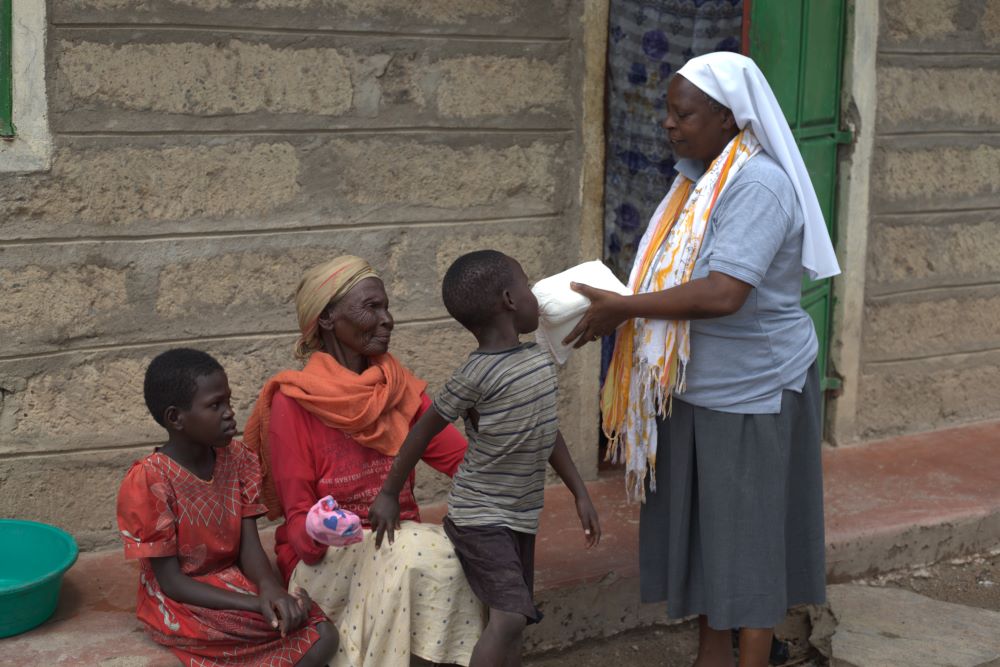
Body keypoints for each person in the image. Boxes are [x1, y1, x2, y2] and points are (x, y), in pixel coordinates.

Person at [564, 52, 840, 667]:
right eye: (667, 110)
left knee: (749, 543)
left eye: (682, 112)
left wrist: (629, 307)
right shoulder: (698, 177)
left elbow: (724, 291)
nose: (667, 123)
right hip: (694, 386)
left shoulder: (759, 183)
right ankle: (711, 654)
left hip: (750, 392)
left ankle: (750, 658)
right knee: (716, 539)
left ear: (727, 117)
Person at [243, 255, 485, 666]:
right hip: (327, 563)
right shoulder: (293, 403)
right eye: (371, 307)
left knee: (446, 553)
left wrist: (505, 436)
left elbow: (464, 463)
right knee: (423, 555)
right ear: (327, 319)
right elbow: (300, 529)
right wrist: (324, 528)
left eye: (387, 307)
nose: (388, 319)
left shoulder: (398, 388)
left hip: (401, 544)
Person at [369, 250, 602, 667]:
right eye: (527, 284)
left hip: (520, 515)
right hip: (479, 517)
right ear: (511, 300)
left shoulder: (538, 359)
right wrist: (388, 492)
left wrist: (579, 492)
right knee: (510, 618)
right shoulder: (474, 374)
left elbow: (547, 431)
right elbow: (421, 432)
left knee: (517, 620)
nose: (535, 294)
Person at [116, 348, 338, 667]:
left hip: (232, 582)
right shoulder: (149, 480)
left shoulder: (238, 459)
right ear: (175, 418)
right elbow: (172, 583)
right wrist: (253, 603)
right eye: (215, 405)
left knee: (319, 630)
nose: (229, 413)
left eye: (228, 401)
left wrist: (270, 589)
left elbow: (249, 548)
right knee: (285, 627)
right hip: (183, 600)